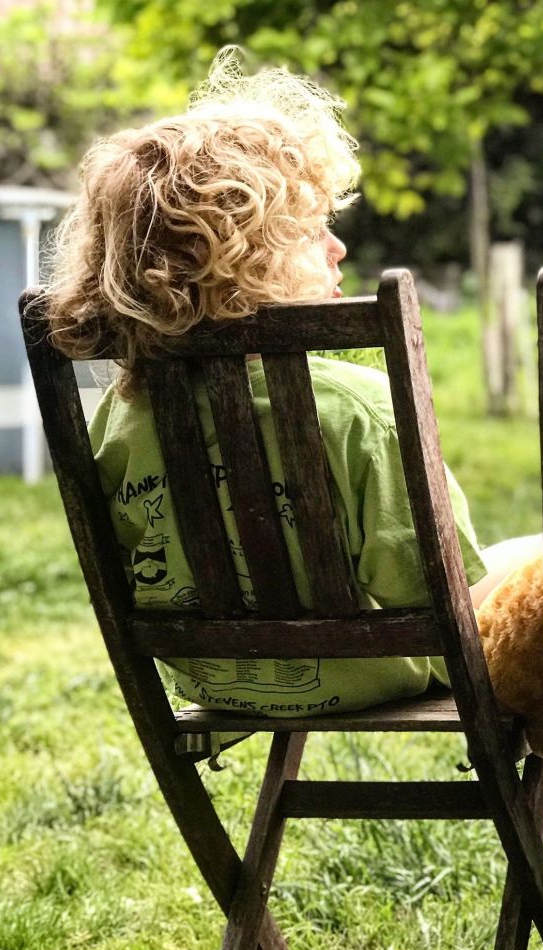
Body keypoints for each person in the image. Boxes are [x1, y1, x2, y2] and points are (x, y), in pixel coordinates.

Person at [40, 52, 495, 715]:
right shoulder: (360, 409)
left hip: (214, 678)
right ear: (246, 263)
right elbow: (443, 596)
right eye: (312, 230)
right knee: (533, 566)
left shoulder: (121, 415)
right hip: (365, 672)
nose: (338, 248)